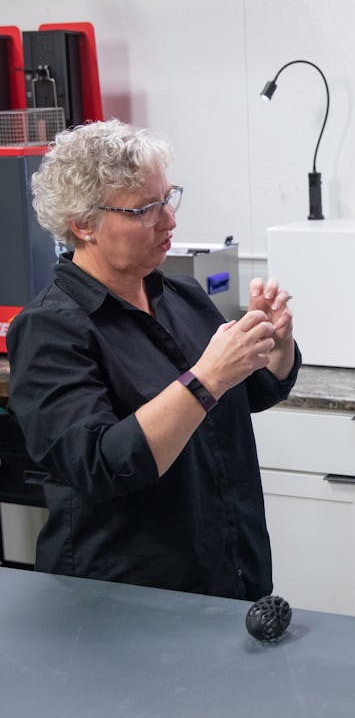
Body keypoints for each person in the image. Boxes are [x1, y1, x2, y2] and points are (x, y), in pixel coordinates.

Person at [7, 119, 301, 600]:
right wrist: (207, 376)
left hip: (228, 569)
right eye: (145, 209)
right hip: (129, 598)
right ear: (83, 225)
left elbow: (254, 392)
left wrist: (274, 344)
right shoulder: (50, 329)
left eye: (168, 198)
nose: (169, 220)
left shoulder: (181, 296)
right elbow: (100, 465)